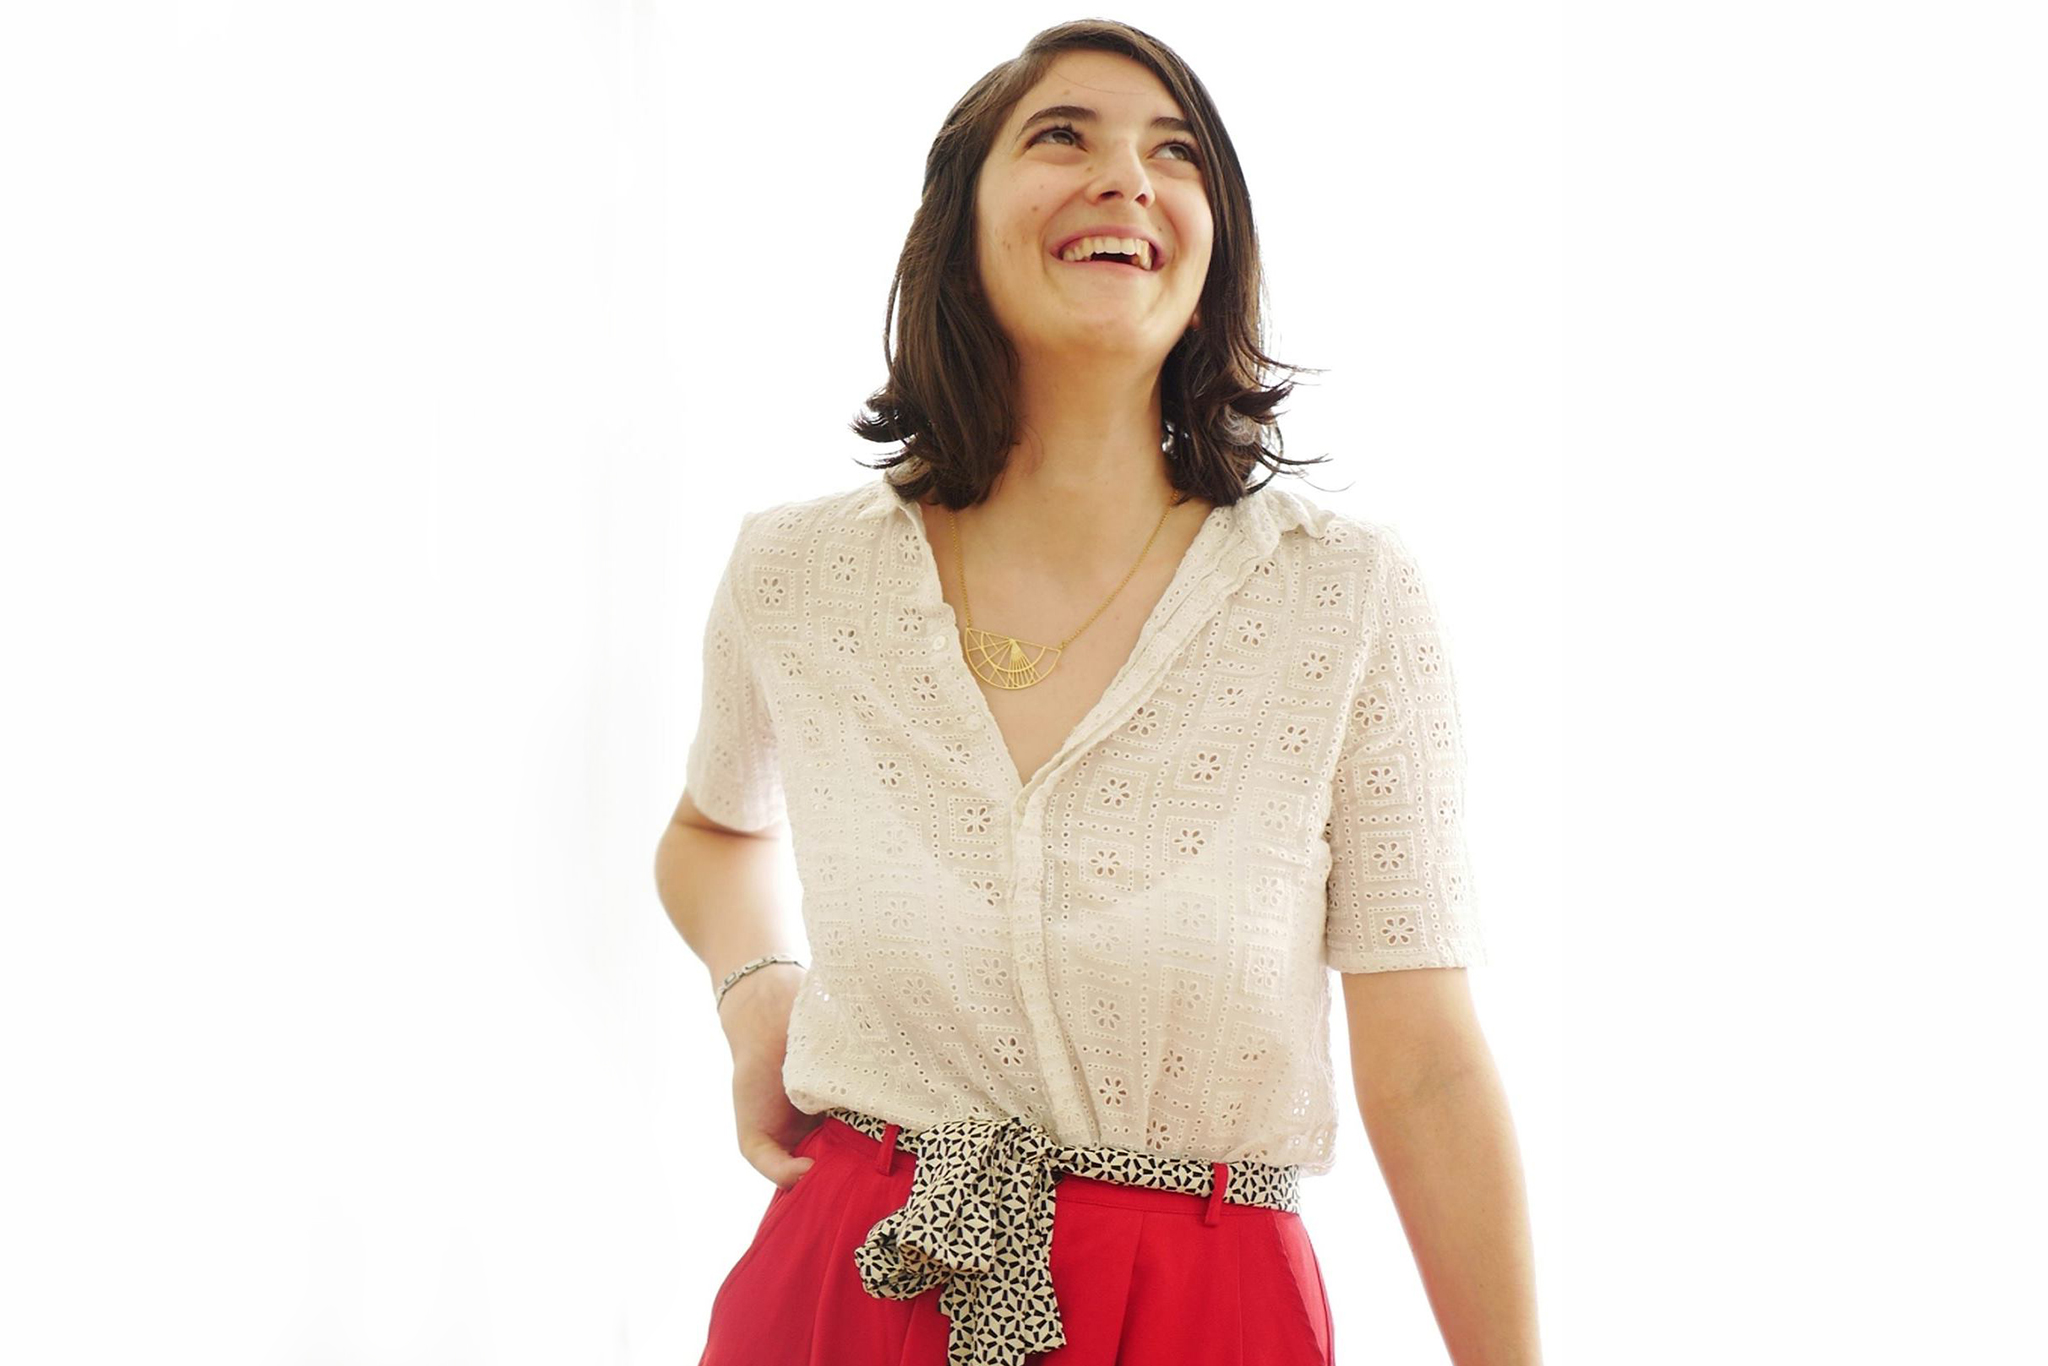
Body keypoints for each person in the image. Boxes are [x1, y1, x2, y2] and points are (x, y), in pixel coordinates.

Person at [654, 20, 1541, 1366]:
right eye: (1063, 135)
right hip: (847, 1287)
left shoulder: (1344, 597)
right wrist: (752, 987)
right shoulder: (797, 574)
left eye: (1174, 154)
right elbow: (711, 829)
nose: (1125, 176)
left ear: (1214, 249)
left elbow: (1425, 1066)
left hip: (1202, 1311)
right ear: (957, 224)